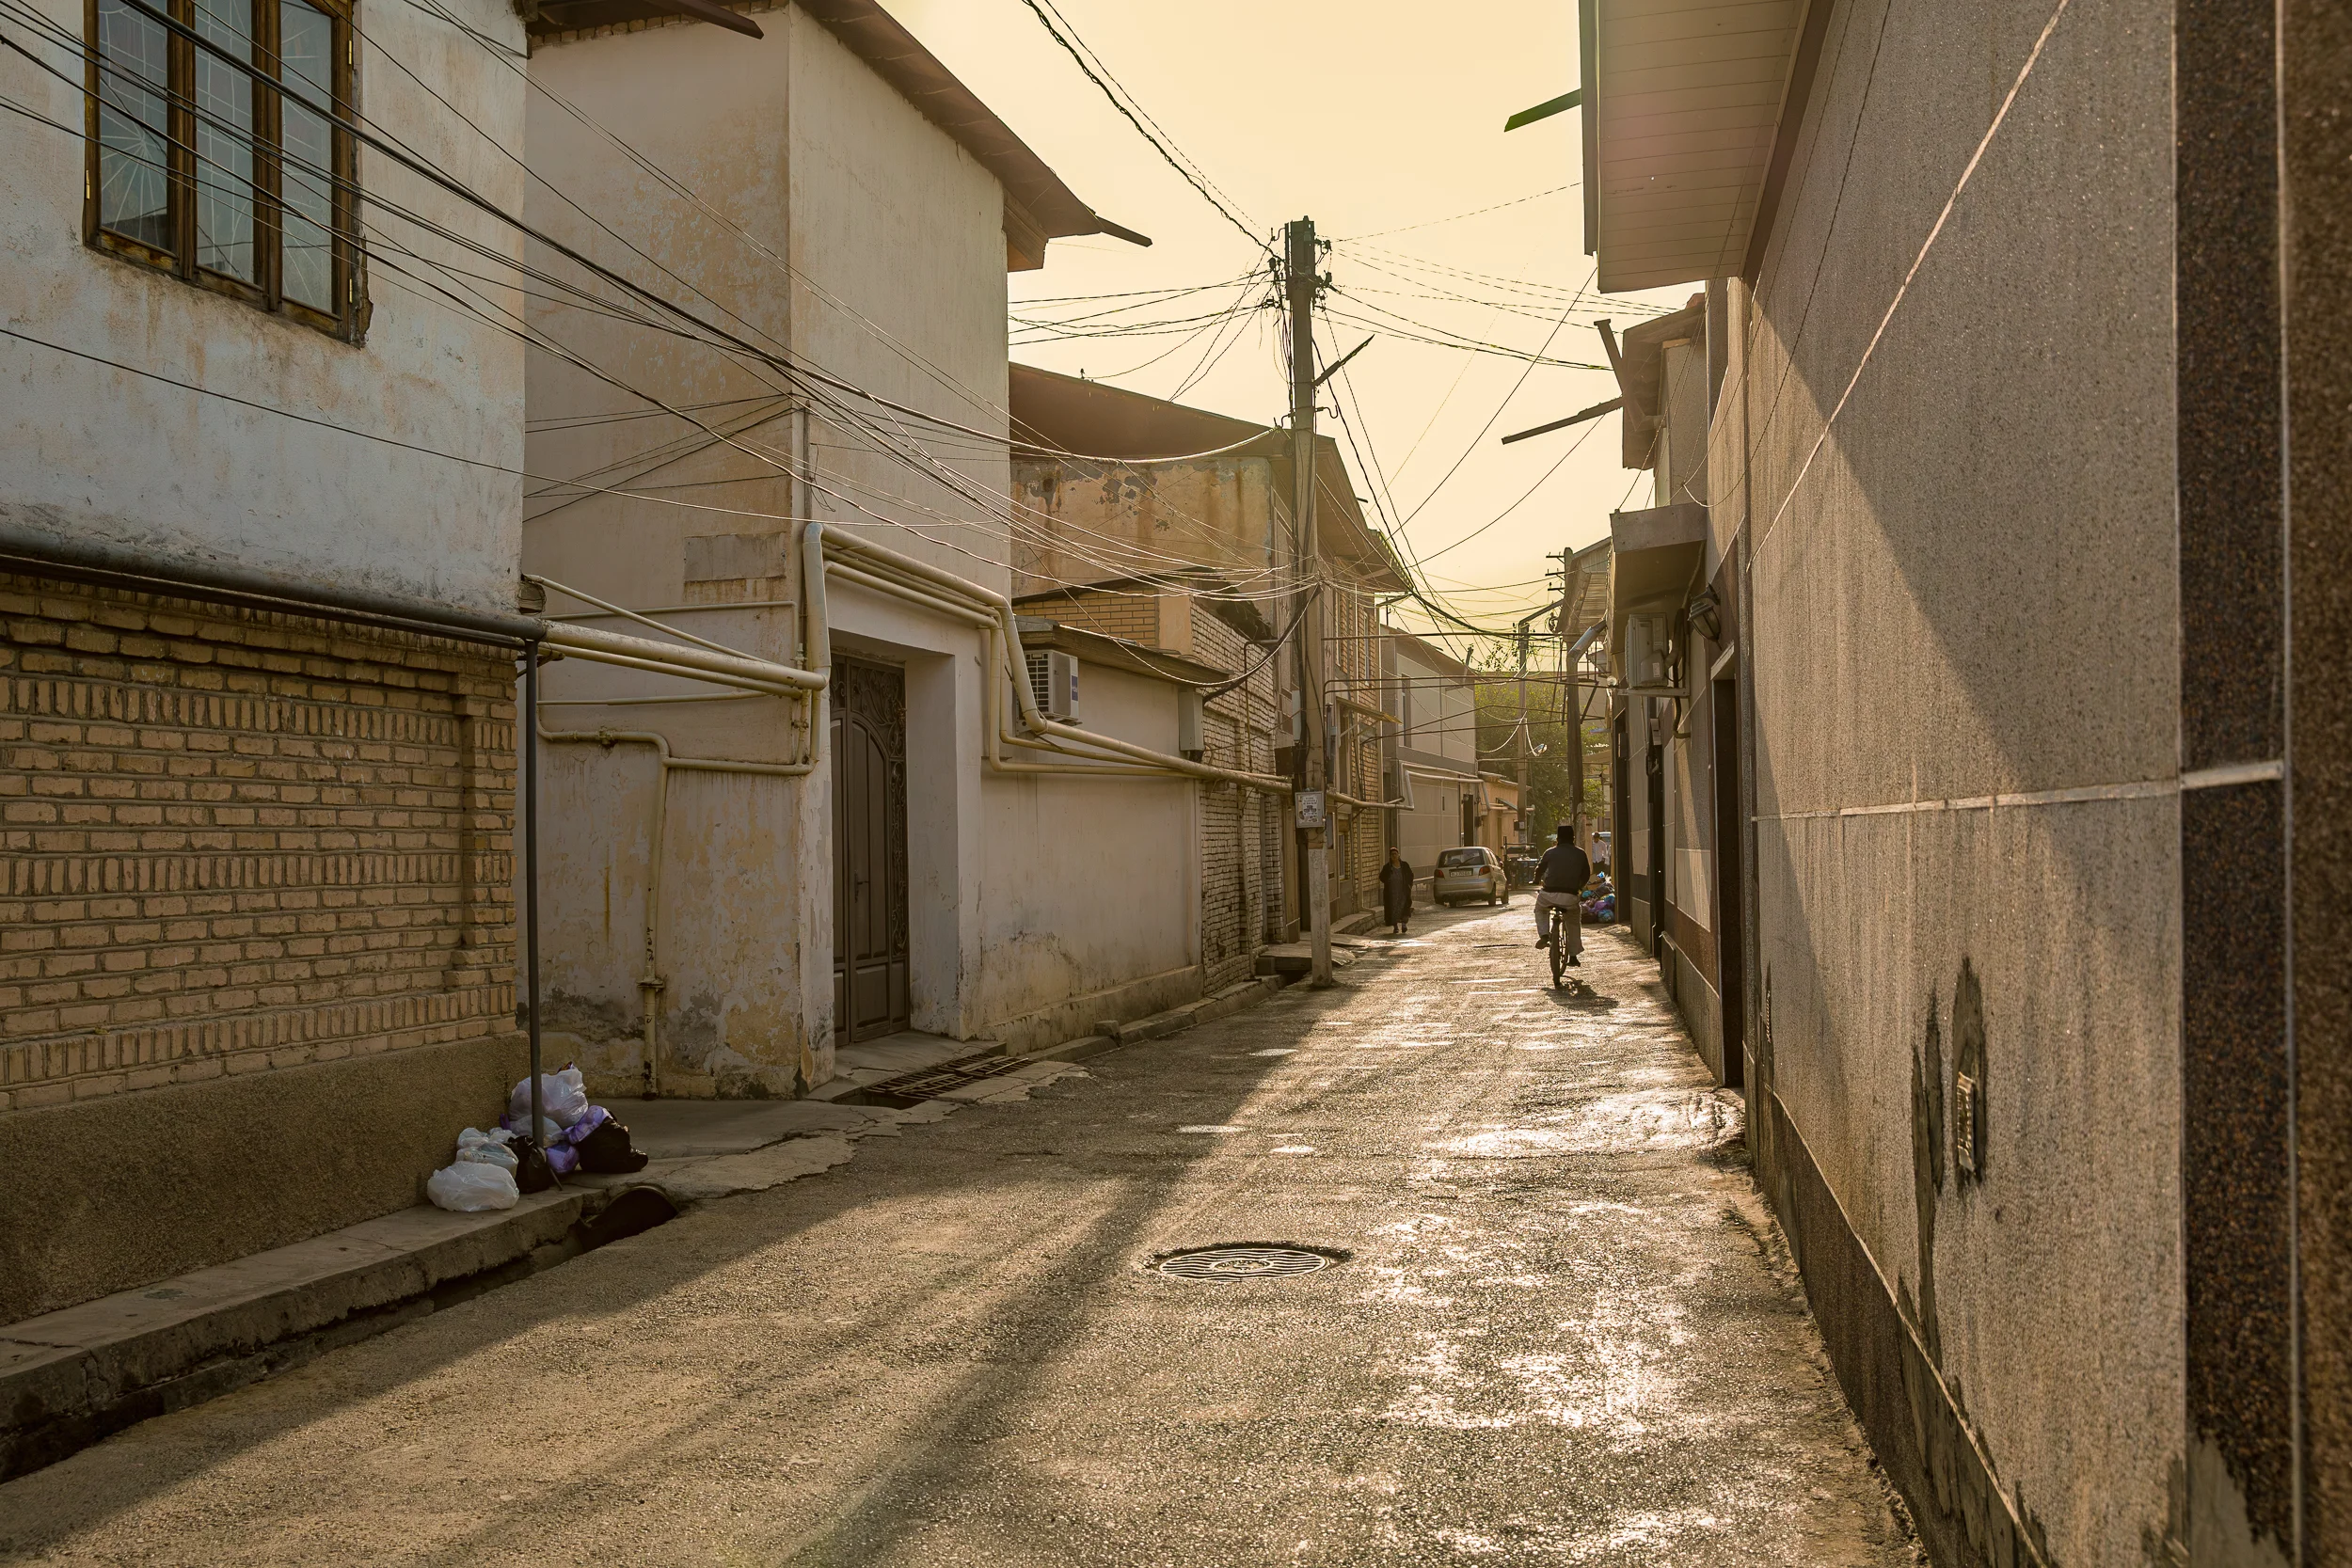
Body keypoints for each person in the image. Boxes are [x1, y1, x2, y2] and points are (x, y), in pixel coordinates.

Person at [1533, 824, 1592, 965]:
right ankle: (1573, 956)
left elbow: (1539, 869)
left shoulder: (1550, 852)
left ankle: (1545, 935)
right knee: (1573, 921)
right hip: (1570, 896)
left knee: (1540, 910)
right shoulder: (1580, 853)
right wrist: (1578, 887)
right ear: (1573, 838)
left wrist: (1535, 880)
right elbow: (1586, 874)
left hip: (1548, 894)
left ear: (1558, 838)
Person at [1378, 847, 1415, 935]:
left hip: (1403, 891)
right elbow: (1382, 877)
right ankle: (1395, 927)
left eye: (1395, 854)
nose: (1394, 856)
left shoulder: (1404, 865)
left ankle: (1403, 925)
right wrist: (1388, 881)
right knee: (1393, 909)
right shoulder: (1387, 867)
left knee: (1404, 907)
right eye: (1392, 854)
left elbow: (1410, 875)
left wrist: (1409, 885)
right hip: (1392, 893)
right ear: (1390, 856)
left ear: (1398, 855)